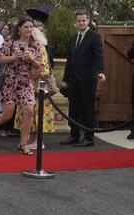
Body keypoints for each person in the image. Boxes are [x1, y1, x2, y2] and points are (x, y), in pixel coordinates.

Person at [0, 16, 44, 155]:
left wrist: (31, 58)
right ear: (20, 28)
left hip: (26, 81)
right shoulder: (10, 42)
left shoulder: (36, 44)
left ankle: (23, 144)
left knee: (29, 110)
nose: (28, 30)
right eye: (26, 27)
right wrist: (15, 57)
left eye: (30, 27)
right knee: (7, 114)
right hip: (10, 80)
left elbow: (40, 66)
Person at [60, 9, 106, 147]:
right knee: (73, 108)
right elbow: (70, 59)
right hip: (73, 79)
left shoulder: (94, 36)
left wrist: (100, 71)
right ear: (75, 22)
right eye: (79, 21)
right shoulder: (73, 38)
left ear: (88, 21)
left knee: (87, 109)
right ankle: (74, 136)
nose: (81, 23)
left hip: (88, 79)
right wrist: (65, 78)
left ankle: (88, 137)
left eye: (84, 20)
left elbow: (99, 55)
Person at [14, 27, 56, 149]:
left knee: (38, 114)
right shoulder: (26, 47)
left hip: (37, 87)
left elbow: (42, 68)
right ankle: (31, 139)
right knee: (30, 114)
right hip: (27, 87)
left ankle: (38, 141)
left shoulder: (40, 48)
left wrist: (28, 74)